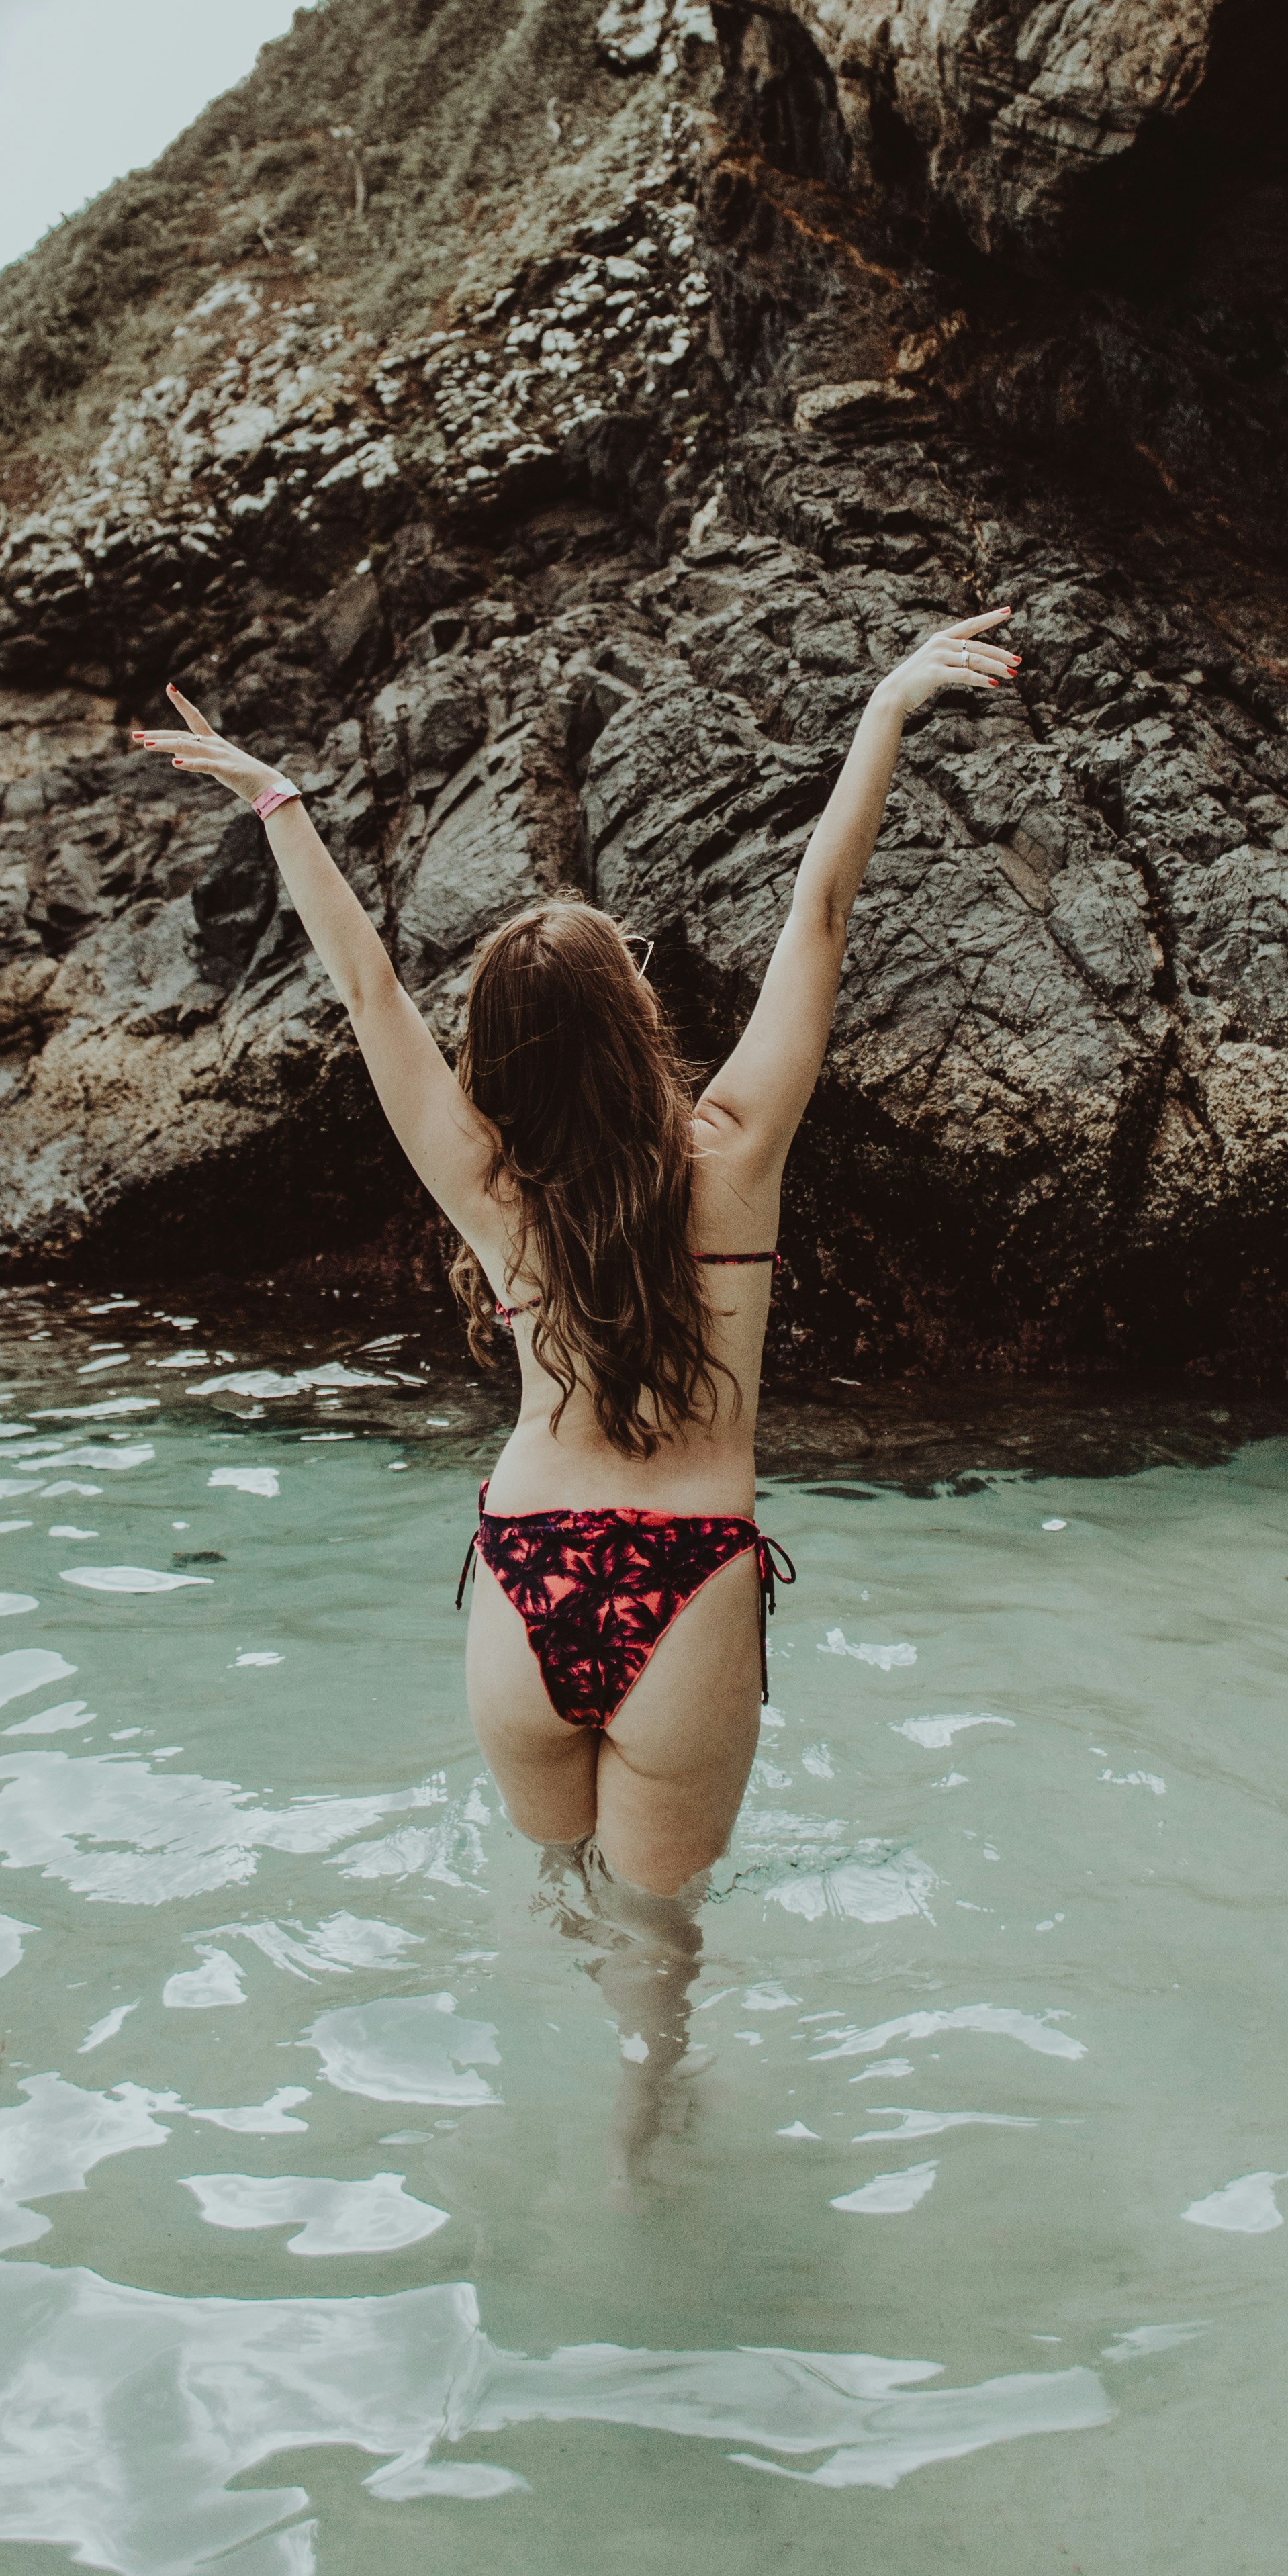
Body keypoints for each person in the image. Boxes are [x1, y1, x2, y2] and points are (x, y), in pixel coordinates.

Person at [130, 600, 1020, 1912]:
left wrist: (281, 804)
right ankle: (635, 2119)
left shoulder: (495, 1195)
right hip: (687, 1577)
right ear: (635, 1020)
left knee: (560, 1894)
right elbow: (820, 913)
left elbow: (370, 992)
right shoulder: (734, 1161)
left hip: (528, 1572)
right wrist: (884, 708)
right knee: (659, 1962)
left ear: (500, 1057)